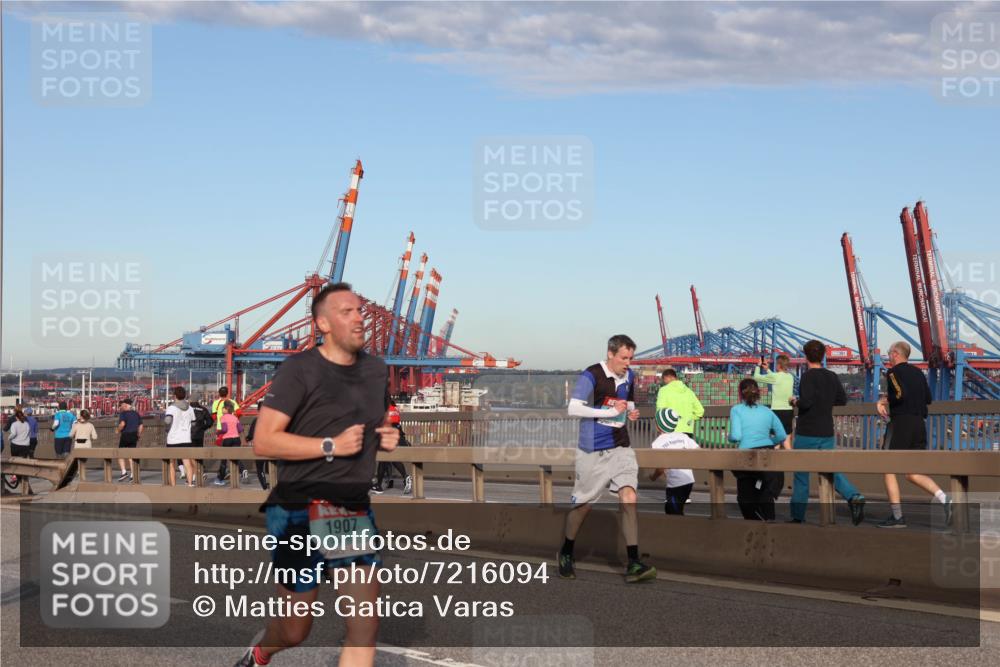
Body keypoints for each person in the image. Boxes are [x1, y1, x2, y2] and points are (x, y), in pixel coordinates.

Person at [233, 282, 399, 667]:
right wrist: (330, 446)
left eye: (360, 310)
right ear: (322, 323)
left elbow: (364, 423)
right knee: (295, 630)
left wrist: (384, 436)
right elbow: (264, 441)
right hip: (298, 508)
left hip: (349, 509)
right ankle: (261, 653)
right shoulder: (299, 369)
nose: (359, 317)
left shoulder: (376, 370)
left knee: (364, 623)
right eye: (347, 312)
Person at [557, 334, 656, 584]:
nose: (628, 363)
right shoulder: (592, 374)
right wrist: (608, 411)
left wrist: (632, 412)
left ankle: (633, 562)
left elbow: (629, 402)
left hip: (621, 445)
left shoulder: (630, 376)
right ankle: (566, 551)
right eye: (624, 358)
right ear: (610, 354)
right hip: (592, 448)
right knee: (583, 505)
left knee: (629, 495)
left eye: (631, 358)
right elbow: (574, 408)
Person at [788, 340, 866, 525]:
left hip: (807, 432)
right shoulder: (831, 376)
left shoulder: (808, 376)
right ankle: (854, 496)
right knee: (831, 471)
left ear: (805, 356)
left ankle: (797, 516)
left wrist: (795, 402)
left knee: (801, 476)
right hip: (826, 432)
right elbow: (841, 400)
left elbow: (805, 403)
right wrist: (825, 402)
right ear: (823, 356)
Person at [877, 341, 952, 528]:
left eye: (889, 353)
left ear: (895, 354)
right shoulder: (918, 372)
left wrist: (883, 401)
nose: (888, 357)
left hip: (901, 423)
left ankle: (897, 517)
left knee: (887, 468)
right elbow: (928, 398)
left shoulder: (893, 372)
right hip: (919, 424)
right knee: (913, 472)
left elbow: (899, 394)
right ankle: (945, 500)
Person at [728, 378, 787, 521]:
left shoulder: (736, 410)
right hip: (767, 455)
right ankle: (770, 525)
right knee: (765, 495)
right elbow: (782, 435)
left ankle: (755, 526)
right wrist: (769, 442)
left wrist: (730, 438)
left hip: (747, 458)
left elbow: (736, 436)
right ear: (758, 393)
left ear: (740, 394)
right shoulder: (767, 411)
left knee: (745, 499)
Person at [648, 408, 699, 515]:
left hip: (675, 484)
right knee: (674, 508)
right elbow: (699, 451)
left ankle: (681, 530)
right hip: (689, 480)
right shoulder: (683, 436)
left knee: (673, 512)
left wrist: (653, 477)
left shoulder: (657, 443)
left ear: (658, 425)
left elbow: (661, 468)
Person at [753, 354, 795, 448]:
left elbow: (756, 377)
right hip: (788, 411)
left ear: (779, 365)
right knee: (787, 441)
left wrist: (758, 366)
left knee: (775, 441)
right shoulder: (790, 377)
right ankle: (792, 460)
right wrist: (767, 369)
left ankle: (774, 461)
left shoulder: (775, 377)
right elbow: (776, 378)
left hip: (777, 411)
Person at [372, 400, 411, 495]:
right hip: (399, 437)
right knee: (390, 459)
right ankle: (404, 478)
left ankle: (379, 486)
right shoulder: (395, 408)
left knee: (383, 459)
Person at [655, 368, 705, 441]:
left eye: (664, 380)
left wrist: (659, 426)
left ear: (667, 377)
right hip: (687, 430)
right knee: (685, 452)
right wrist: (689, 418)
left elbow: (660, 410)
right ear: (675, 377)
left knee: (671, 452)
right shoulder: (689, 391)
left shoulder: (663, 390)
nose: (664, 382)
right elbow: (700, 411)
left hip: (670, 429)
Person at [165, 387, 197, 487]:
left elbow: (168, 421)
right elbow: (194, 423)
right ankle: (190, 484)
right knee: (187, 462)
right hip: (186, 439)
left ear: (174, 396)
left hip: (173, 439)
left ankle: (174, 487)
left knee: (172, 464)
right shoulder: (190, 408)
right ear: (185, 396)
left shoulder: (171, 408)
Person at [213, 401, 246, 486]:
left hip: (227, 439)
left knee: (224, 460)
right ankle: (243, 470)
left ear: (227, 409)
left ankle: (220, 479)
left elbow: (224, 429)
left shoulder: (223, 417)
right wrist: (243, 440)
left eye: (223, 408)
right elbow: (240, 430)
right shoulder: (235, 418)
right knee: (235, 457)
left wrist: (218, 432)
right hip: (236, 439)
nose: (222, 409)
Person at [116, 399, 143, 482]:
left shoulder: (123, 414)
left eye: (122, 405)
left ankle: (124, 472)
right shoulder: (136, 414)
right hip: (134, 435)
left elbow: (122, 424)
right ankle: (132, 474)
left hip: (126, 435)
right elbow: (141, 426)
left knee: (120, 453)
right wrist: (138, 434)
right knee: (131, 455)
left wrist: (118, 430)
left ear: (126, 405)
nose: (121, 407)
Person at [246, 402, 270, 490]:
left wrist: (247, 439)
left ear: (258, 409)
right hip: (271, 447)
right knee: (272, 468)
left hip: (260, 447)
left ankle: (264, 486)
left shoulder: (256, 420)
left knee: (260, 468)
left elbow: (251, 435)